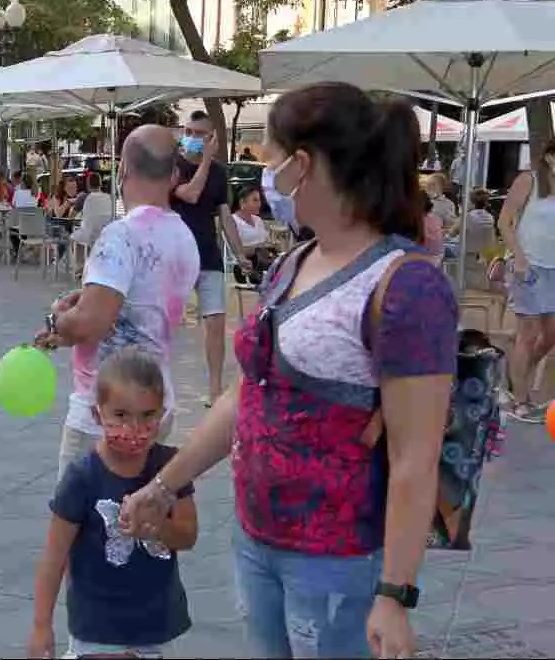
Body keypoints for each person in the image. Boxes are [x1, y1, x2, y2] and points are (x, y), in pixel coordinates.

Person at [121, 82, 458, 660]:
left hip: (338, 563)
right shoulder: (292, 261)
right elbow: (245, 396)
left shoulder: (406, 286)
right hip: (257, 541)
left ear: (304, 165)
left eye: (272, 160)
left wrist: (394, 595)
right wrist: (163, 484)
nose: (266, 176)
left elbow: (414, 457)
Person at [37, 125, 200, 479]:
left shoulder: (121, 235)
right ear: (174, 174)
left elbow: (89, 323)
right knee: (134, 519)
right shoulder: (184, 236)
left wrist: (57, 320)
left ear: (122, 169)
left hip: (106, 413)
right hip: (156, 404)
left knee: (80, 523)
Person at [28, 348, 197, 659]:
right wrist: (41, 626)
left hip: (156, 623)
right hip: (98, 626)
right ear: (97, 414)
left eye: (147, 415)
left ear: (162, 413)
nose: (134, 429)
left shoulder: (170, 468)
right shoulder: (82, 477)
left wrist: (159, 527)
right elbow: (54, 556)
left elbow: (188, 535)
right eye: (120, 415)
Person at [171, 110, 249, 405]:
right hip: (175, 257)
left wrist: (240, 253)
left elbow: (225, 215)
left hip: (207, 254)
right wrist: (205, 160)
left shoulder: (219, 172)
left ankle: (215, 389)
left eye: (199, 134)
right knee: (162, 320)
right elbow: (189, 195)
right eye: (188, 132)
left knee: (215, 322)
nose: (191, 138)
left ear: (212, 137)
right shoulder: (173, 167)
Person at [497, 139, 555, 423]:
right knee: (528, 332)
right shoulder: (528, 181)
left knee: (551, 334)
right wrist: (518, 257)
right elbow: (504, 221)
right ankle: (520, 398)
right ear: (549, 157)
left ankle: (517, 375)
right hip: (528, 266)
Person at [231, 185, 276, 285]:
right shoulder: (232, 221)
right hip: (245, 265)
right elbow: (236, 250)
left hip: (264, 260)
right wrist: (258, 247)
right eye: (255, 200)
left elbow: (267, 243)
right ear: (242, 202)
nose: (259, 204)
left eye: (259, 200)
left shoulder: (258, 220)